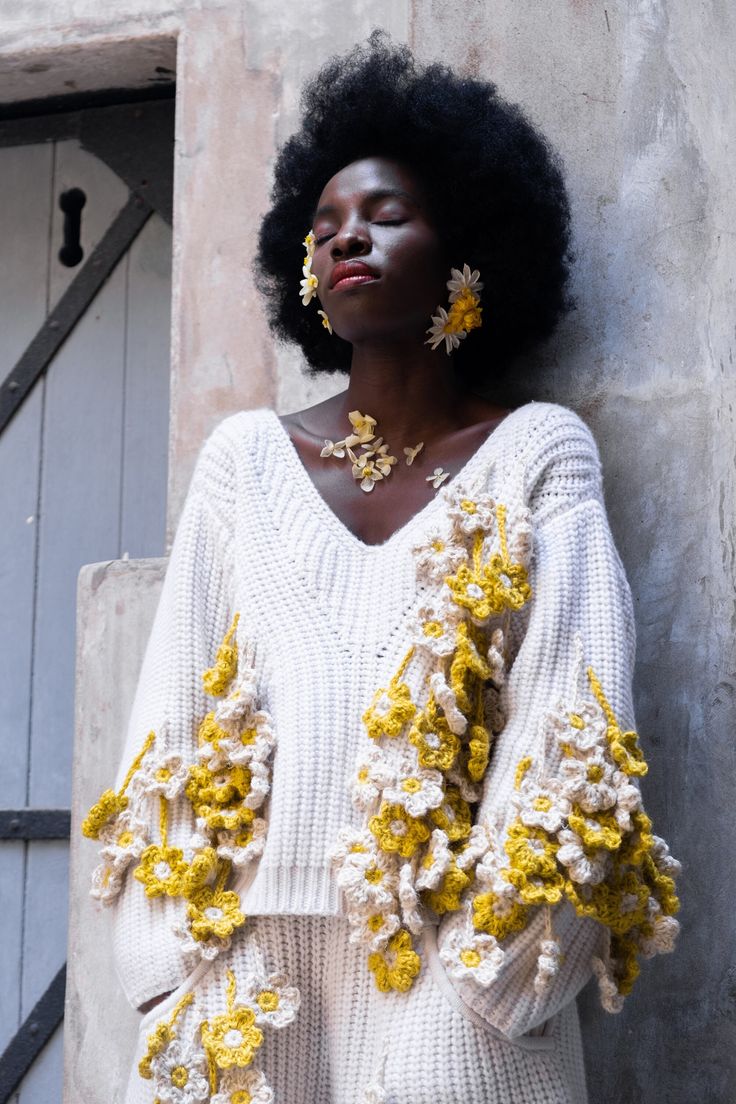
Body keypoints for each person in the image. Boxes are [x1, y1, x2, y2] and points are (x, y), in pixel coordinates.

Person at [81, 33, 681, 1104]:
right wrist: (170, 968)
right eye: (322, 228)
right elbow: (166, 724)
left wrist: (493, 980)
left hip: (452, 983)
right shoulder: (244, 464)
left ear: (469, 254)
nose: (345, 234)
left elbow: (571, 724)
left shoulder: (536, 455)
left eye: (384, 214)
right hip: (244, 977)